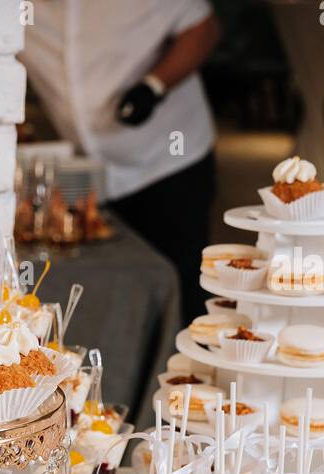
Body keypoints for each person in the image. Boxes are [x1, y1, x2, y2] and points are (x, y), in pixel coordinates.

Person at [21, 0, 221, 323]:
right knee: (116, 289)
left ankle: (187, 370)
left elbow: (203, 28)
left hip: (169, 160)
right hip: (90, 172)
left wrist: (153, 86)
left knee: (180, 286)